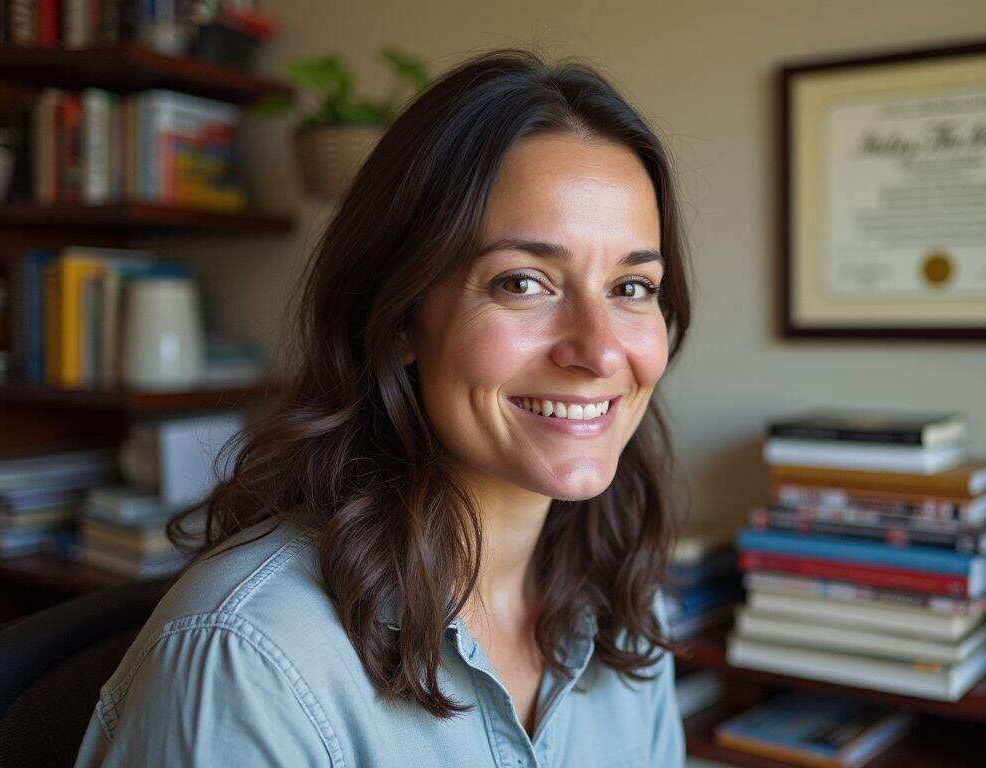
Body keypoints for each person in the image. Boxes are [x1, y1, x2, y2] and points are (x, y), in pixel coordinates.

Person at [73, 47, 693, 768]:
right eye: (523, 283)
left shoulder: (628, 611)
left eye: (631, 288)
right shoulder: (247, 662)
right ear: (399, 318)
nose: (599, 352)